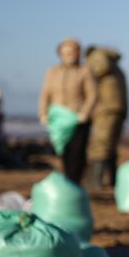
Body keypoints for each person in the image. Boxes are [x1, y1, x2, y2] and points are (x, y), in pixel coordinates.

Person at [38, 37, 96, 184]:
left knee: (77, 154)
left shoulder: (84, 71)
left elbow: (92, 95)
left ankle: (74, 182)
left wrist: (85, 113)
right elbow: (45, 93)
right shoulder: (52, 72)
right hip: (57, 119)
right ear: (60, 53)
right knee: (64, 153)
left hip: (78, 119)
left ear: (78, 53)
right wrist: (43, 113)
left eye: (72, 52)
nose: (69, 55)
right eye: (65, 52)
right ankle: (68, 181)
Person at [85, 45, 128, 188]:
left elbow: (100, 68)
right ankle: (112, 181)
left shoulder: (97, 56)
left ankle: (96, 182)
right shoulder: (116, 66)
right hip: (118, 108)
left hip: (105, 109)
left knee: (101, 145)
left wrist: (85, 71)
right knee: (110, 146)